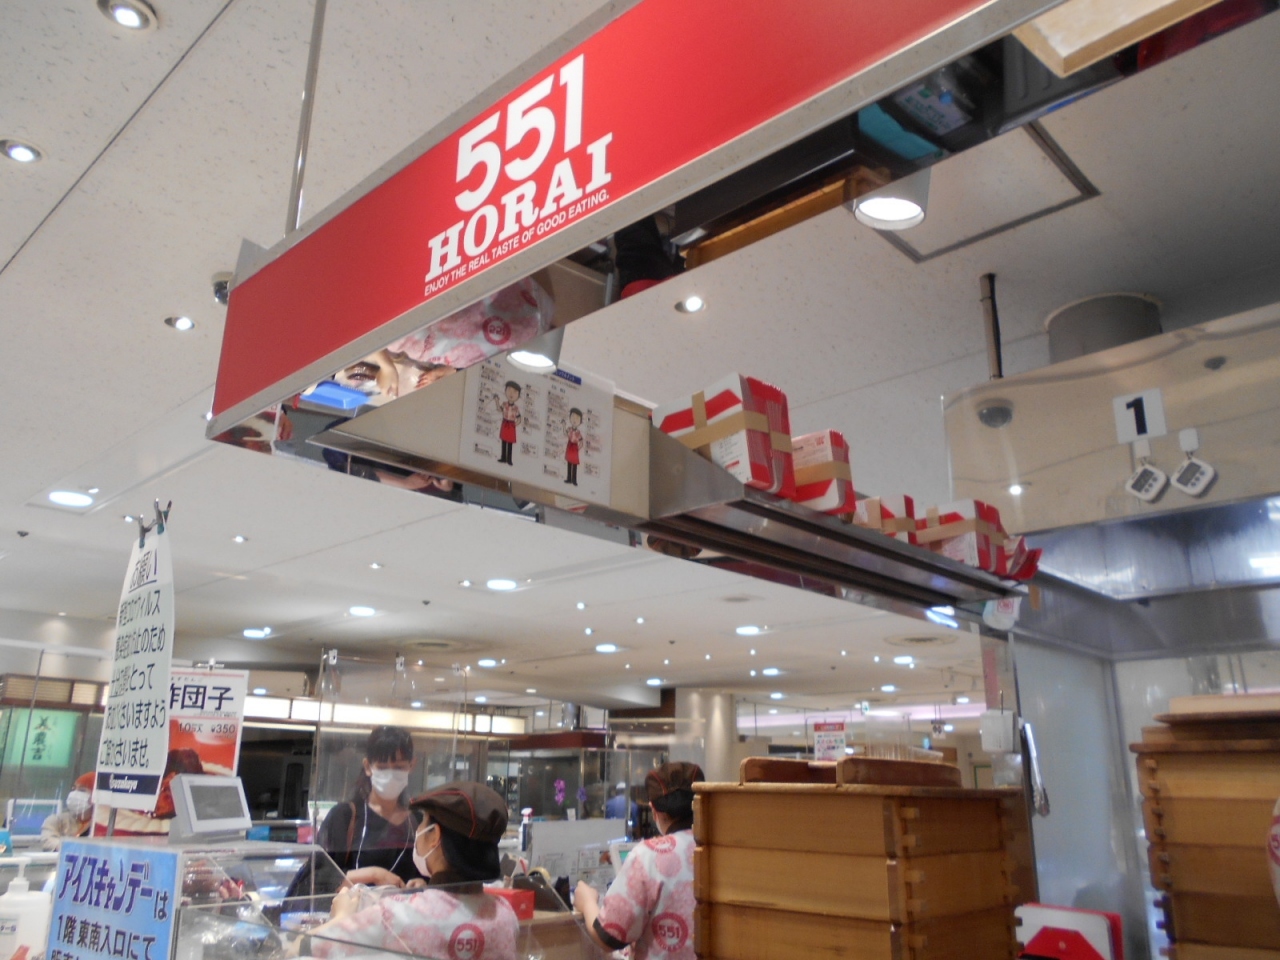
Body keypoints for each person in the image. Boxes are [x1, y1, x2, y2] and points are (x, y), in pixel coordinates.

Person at [307, 781, 519, 960]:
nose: (418, 829)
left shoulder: (394, 915)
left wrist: (341, 917)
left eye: (423, 822)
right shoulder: (506, 916)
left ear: (434, 836)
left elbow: (305, 948)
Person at [576, 762, 704, 960]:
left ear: (654, 810)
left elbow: (609, 937)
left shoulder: (648, 855)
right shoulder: (723, 848)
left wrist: (586, 902)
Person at [317, 726, 426, 887]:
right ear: (368, 767)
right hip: (355, 903)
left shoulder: (418, 821)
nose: (390, 775)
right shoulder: (344, 816)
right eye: (382, 767)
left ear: (412, 765)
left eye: (399, 767)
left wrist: (422, 883)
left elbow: (430, 873)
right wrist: (373, 875)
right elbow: (318, 877)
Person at [41, 772, 94, 851]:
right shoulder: (57, 821)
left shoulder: (103, 826)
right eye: (74, 789)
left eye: (82, 790)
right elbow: (49, 842)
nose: (75, 793)